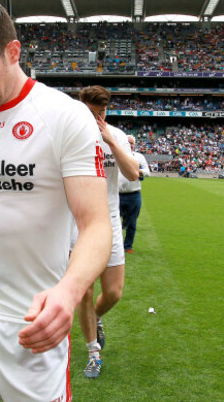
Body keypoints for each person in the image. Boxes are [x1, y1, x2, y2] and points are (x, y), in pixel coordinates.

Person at [0, 0, 112, 402]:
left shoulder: (65, 117)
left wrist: (68, 292)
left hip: (33, 323)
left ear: (13, 52)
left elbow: (96, 225)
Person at [75, 86, 139, 379]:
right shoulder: (68, 133)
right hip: (75, 223)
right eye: (91, 113)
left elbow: (133, 174)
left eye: (101, 113)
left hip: (109, 220)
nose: (96, 119)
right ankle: (93, 353)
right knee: (84, 289)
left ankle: (97, 318)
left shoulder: (114, 134)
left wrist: (111, 141)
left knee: (113, 292)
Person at [119, 134, 151, 254]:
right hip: (117, 194)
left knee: (132, 223)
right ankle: (113, 246)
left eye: (132, 143)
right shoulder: (115, 155)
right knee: (114, 223)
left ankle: (128, 246)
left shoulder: (139, 157)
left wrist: (137, 171)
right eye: (128, 143)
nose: (130, 145)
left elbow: (147, 172)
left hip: (134, 195)